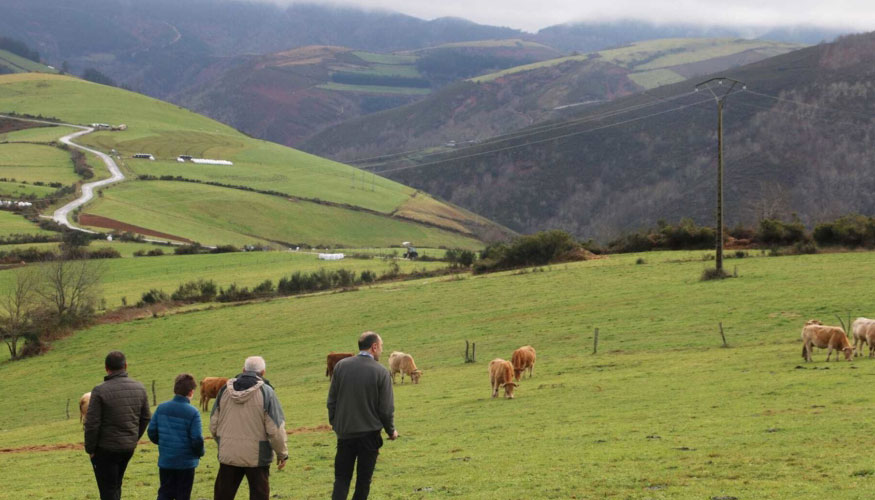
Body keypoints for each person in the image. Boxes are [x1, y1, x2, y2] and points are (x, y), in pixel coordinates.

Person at [327, 331, 399, 500]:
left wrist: (337, 425)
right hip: (369, 436)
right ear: (374, 347)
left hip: (345, 434)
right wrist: (391, 431)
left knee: (341, 479)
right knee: (363, 481)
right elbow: (386, 409)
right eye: (381, 346)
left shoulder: (341, 367)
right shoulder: (381, 372)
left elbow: (331, 401)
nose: (381, 350)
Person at [210, 356, 288, 500]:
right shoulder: (267, 392)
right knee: (259, 495)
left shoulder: (224, 390)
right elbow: (275, 429)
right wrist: (282, 453)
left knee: (223, 495)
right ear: (263, 372)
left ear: (243, 370)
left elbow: (213, 424)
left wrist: (223, 443)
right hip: (257, 456)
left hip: (229, 454)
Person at [84, 350, 152, 500]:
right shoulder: (140, 388)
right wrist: (133, 438)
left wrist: (90, 449)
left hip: (105, 449)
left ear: (106, 368)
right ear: (125, 365)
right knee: (116, 485)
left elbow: (92, 423)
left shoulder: (99, 391)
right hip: (127, 448)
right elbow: (146, 417)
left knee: (107, 490)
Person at [148, 373, 206, 500]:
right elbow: (197, 439)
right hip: (186, 463)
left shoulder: (161, 408)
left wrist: (164, 443)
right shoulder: (193, 412)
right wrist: (200, 452)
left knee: (164, 494)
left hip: (166, 461)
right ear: (191, 392)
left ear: (175, 389)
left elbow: (151, 431)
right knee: (183, 495)